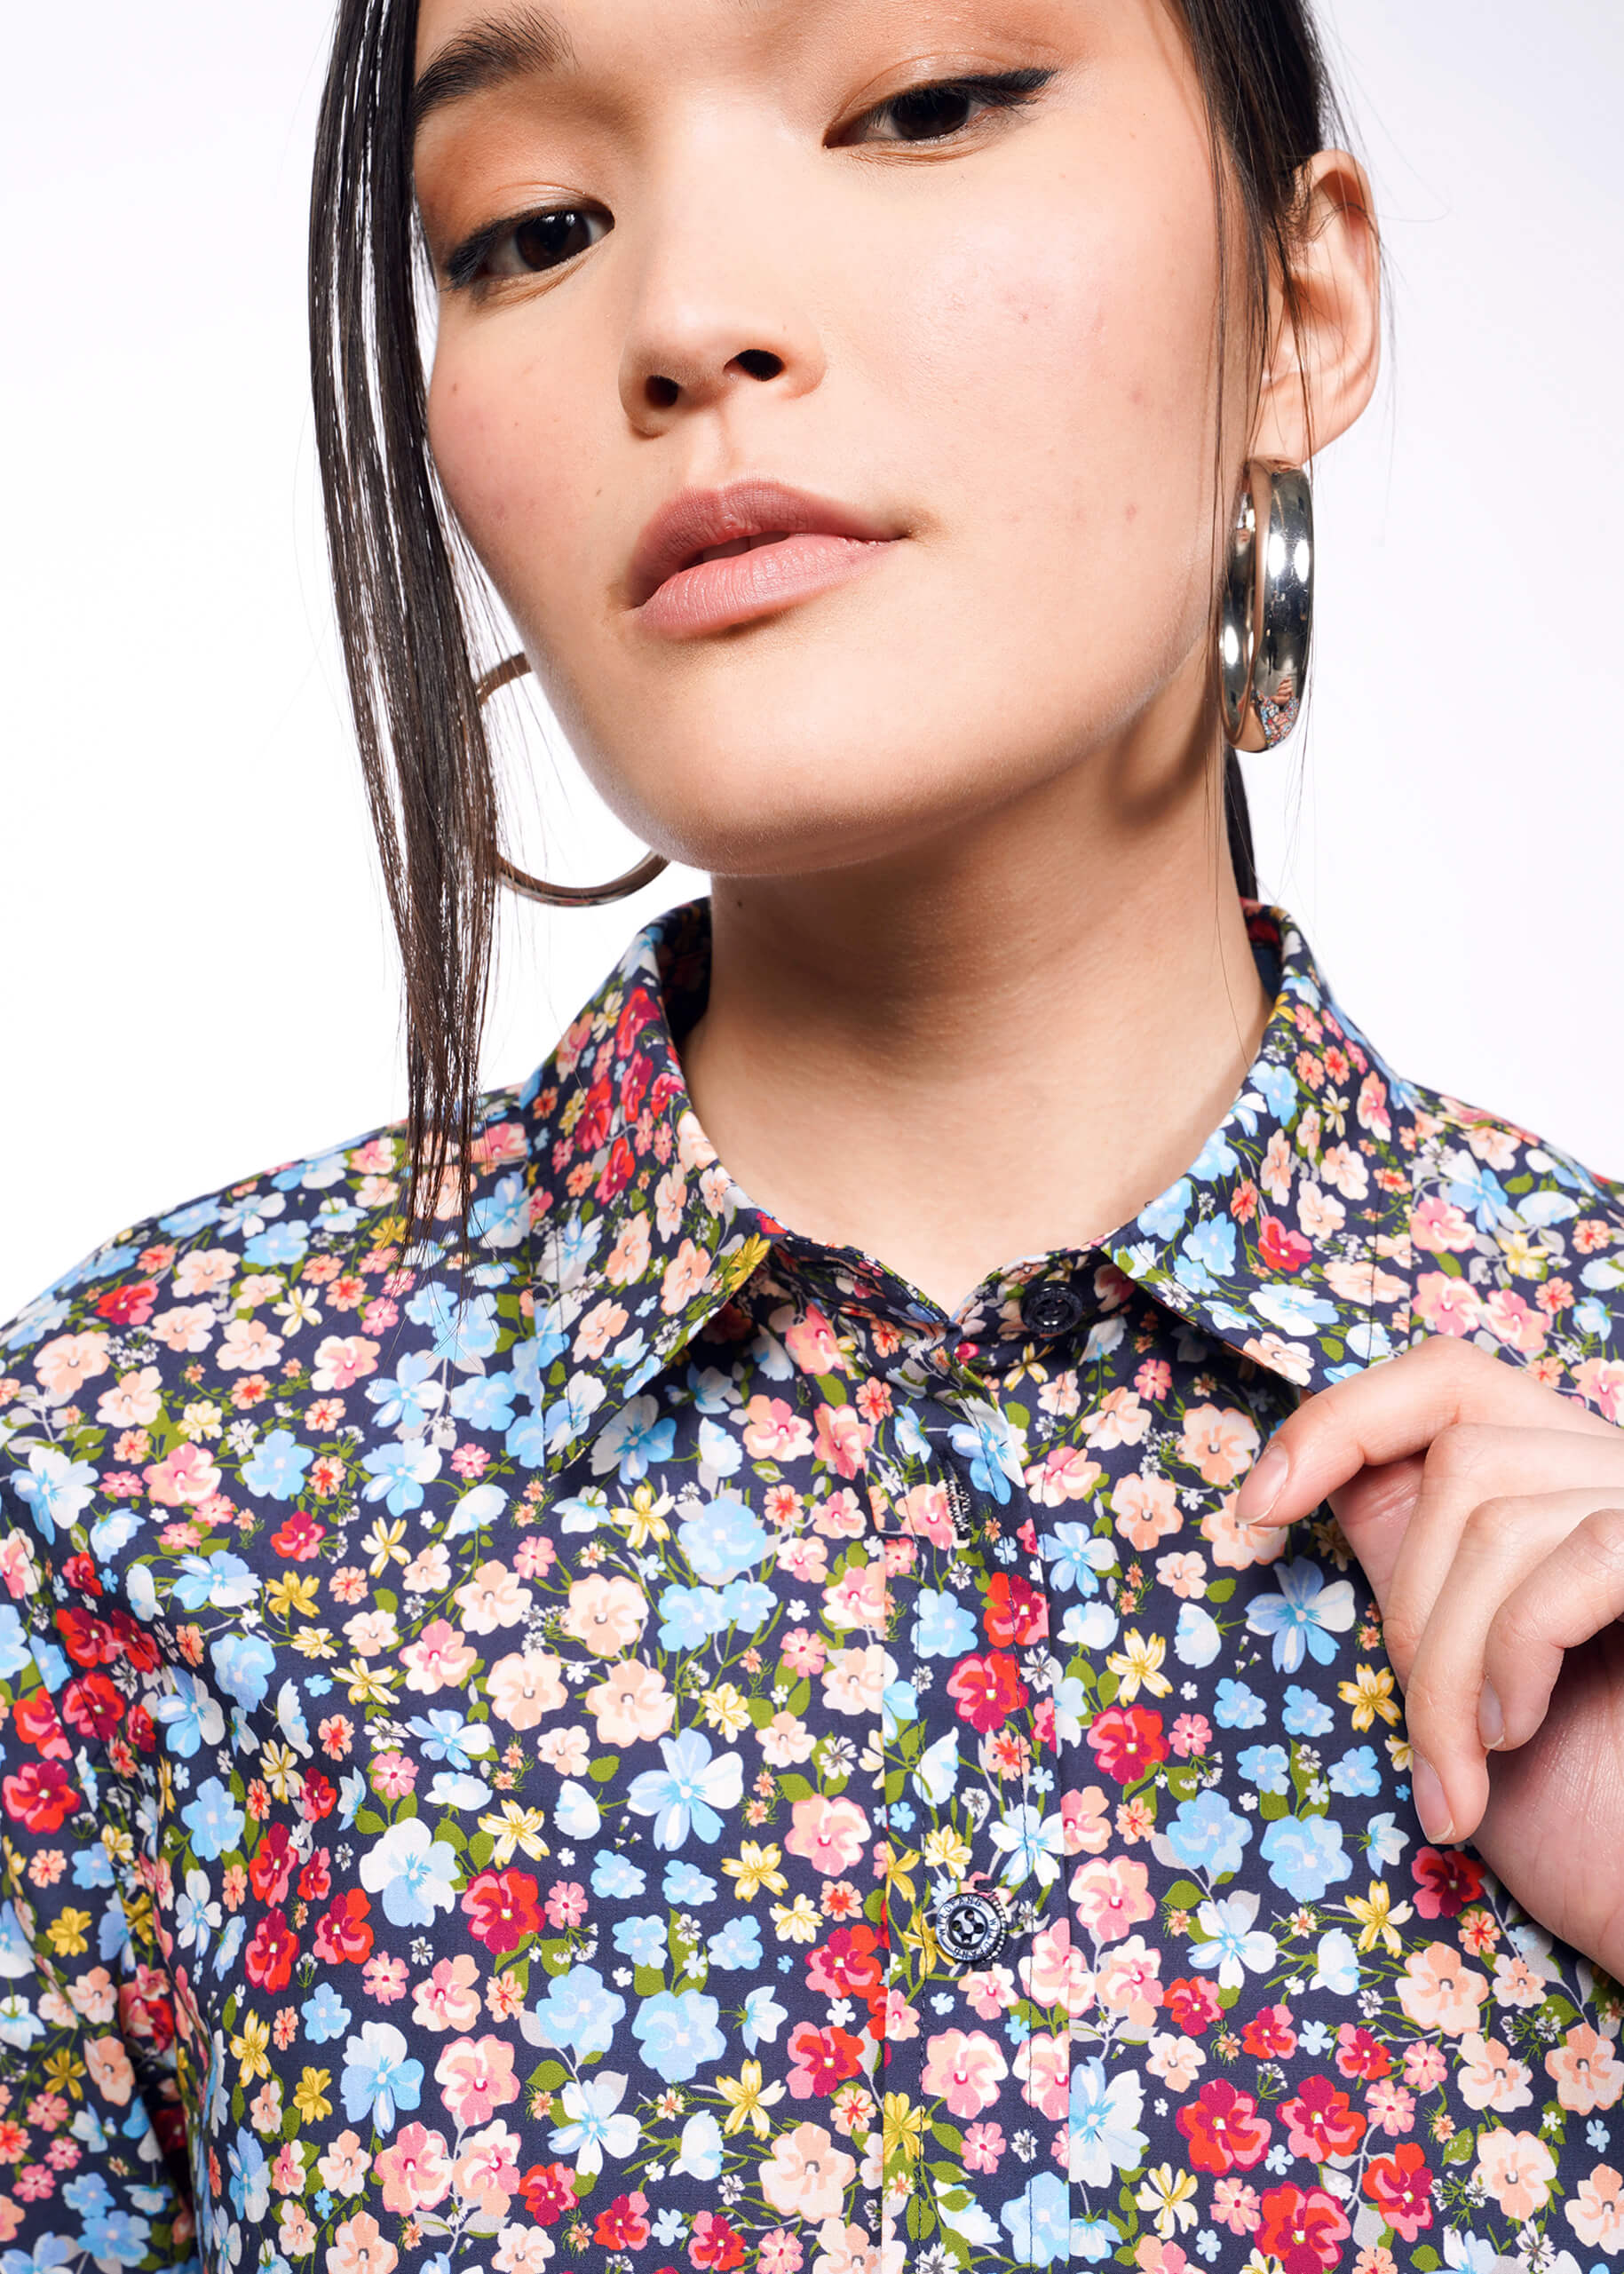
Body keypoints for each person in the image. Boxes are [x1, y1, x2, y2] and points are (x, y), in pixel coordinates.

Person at [4, 3, 1623, 2270]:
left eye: (925, 106)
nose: (683, 321)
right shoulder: (119, 1483)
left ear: (1302, 309)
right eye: (531, 228)